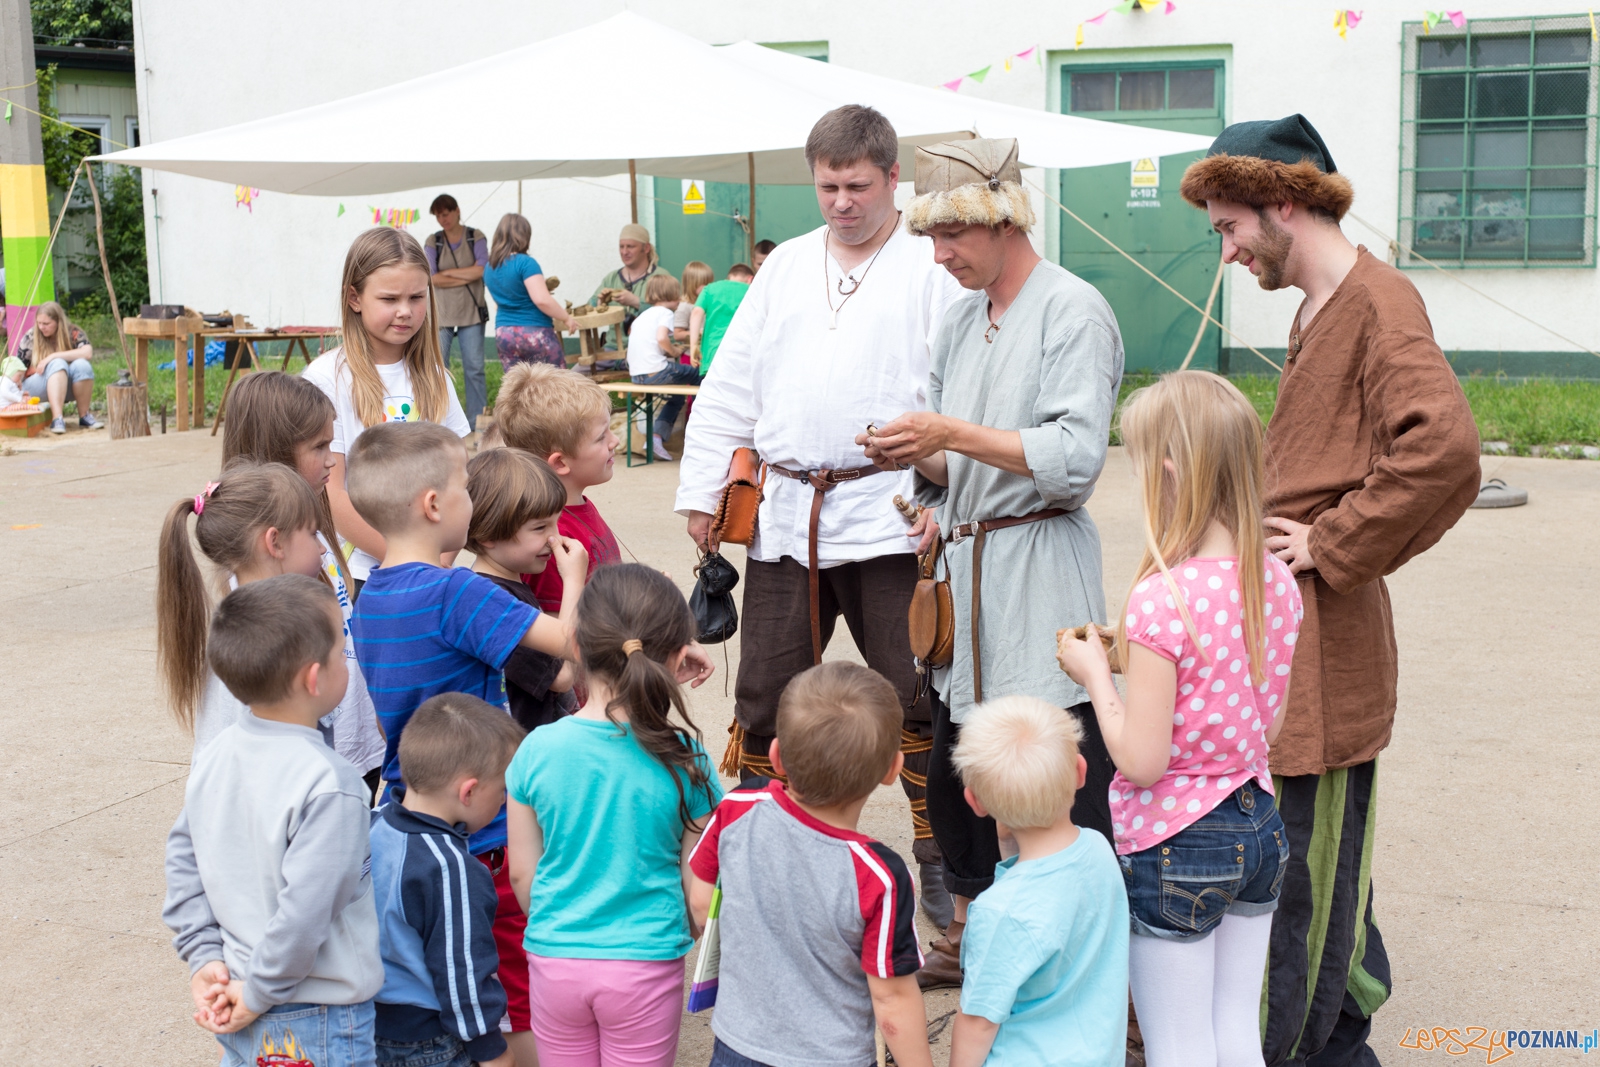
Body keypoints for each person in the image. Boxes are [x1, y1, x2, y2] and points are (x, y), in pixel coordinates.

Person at [1178, 114, 1481, 1066]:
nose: (1226, 252)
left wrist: (1333, 540)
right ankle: (1342, 1034)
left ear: (1282, 204)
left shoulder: (1380, 303)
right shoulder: (1322, 307)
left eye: (1230, 228)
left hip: (1327, 650)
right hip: (1286, 647)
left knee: (1305, 889)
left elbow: (1443, 448)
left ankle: (1303, 1052)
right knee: (1317, 874)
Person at [676, 106, 965, 922]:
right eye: (828, 186)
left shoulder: (929, 265)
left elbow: (956, 399)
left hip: (891, 513)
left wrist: (944, 498)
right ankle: (757, 861)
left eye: (857, 186)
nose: (841, 202)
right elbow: (733, 382)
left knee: (914, 693)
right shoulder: (788, 266)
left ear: (892, 179)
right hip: (787, 514)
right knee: (765, 694)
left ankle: (935, 861)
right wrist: (704, 492)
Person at [861, 137, 1124, 988]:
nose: (939, 259)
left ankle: (1100, 975)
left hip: (1042, 566)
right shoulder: (957, 319)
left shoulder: (1073, 310)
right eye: (931, 241)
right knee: (960, 764)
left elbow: (1074, 457)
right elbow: (955, 466)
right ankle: (977, 935)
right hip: (966, 577)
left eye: (954, 239)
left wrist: (949, 435)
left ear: (1004, 219)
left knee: (1059, 768)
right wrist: (917, 456)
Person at [344, 420, 608, 1067]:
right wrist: (574, 581)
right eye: (464, 484)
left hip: (410, 818)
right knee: (509, 983)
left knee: (448, 968)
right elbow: (570, 648)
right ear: (435, 505)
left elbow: (383, 728)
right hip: (488, 828)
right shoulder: (454, 590)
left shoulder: (370, 596)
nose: (469, 496)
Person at [1057, 372, 1302, 1067]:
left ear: (1169, 468)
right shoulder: (1274, 581)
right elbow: (1268, 726)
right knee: (1234, 1031)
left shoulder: (1161, 599)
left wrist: (1098, 674)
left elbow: (1141, 760)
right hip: (1258, 825)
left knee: (1179, 1044)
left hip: (1174, 840)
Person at [505, 564, 723, 1067]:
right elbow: (698, 891)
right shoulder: (686, 757)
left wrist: (557, 925)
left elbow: (523, 873)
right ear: (675, 655)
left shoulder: (536, 749)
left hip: (555, 955)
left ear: (575, 645)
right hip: (645, 960)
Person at [163, 574, 383, 1066]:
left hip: (236, 991)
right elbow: (304, 914)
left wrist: (205, 957)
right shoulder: (332, 784)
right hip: (315, 1014)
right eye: (343, 649)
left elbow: (183, 860)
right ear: (314, 677)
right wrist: (260, 991)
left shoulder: (217, 754)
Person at [687, 662, 932, 1067]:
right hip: (832, 1057)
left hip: (738, 1043)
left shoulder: (737, 808)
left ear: (776, 755)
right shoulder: (880, 875)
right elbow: (892, 999)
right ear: (893, 769)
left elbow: (700, 904)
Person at [221, 370, 386, 795]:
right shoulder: (269, 563)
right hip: (308, 767)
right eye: (319, 446)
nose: (333, 459)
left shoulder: (310, 521)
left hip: (350, 743)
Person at [945, 695, 1128, 1067]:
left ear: (975, 802)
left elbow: (978, 1023)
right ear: (1080, 771)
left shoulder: (999, 912)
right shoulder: (1098, 850)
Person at [303, 228, 472, 594]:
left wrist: (439, 561)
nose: (405, 311)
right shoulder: (326, 379)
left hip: (430, 573)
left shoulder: (438, 379)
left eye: (416, 297)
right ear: (354, 297)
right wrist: (410, 561)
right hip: (358, 575)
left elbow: (461, 478)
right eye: (390, 298)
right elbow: (331, 494)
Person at [370, 694, 523, 1067]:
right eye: (501, 790)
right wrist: (491, 1049)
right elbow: (462, 971)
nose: (504, 800)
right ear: (469, 792)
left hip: (369, 1022)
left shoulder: (374, 824)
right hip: (430, 1039)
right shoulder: (451, 868)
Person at [156, 462, 329, 757]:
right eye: (313, 534)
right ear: (274, 542)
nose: (323, 548)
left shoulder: (236, 619)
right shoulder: (271, 638)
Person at [492, 364, 623, 614]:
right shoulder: (552, 539)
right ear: (560, 462)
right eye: (600, 437)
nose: (614, 440)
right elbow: (557, 627)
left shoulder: (577, 504)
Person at [466, 448, 577, 731]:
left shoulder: (509, 582)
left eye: (556, 522)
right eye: (540, 527)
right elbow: (561, 676)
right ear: (490, 533)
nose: (555, 538)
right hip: (520, 751)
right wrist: (574, 581)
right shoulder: (490, 601)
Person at [425, 194, 492, 429]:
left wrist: (448, 274)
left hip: (471, 311)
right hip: (441, 313)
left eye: (445, 213)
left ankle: (477, 421)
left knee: (474, 367)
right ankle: (440, 420)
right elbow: (430, 277)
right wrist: (465, 273)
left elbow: (481, 271)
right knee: (437, 368)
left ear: (456, 211)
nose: (442, 219)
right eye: (438, 215)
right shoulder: (434, 241)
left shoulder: (476, 236)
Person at [483, 213, 578, 373]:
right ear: (524, 236)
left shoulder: (489, 267)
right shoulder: (527, 263)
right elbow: (542, 300)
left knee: (517, 387)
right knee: (556, 383)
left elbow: (503, 299)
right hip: (533, 331)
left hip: (504, 333)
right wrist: (566, 318)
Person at [627, 274, 697, 461]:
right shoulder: (666, 313)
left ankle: (655, 439)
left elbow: (648, 345)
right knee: (699, 375)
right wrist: (674, 352)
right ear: (673, 295)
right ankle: (701, 433)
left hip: (637, 375)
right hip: (656, 372)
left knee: (676, 396)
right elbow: (661, 338)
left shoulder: (642, 316)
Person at [16, 300, 101, 433]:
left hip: (65, 385)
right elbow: (18, 367)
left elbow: (87, 352)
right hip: (36, 387)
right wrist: (14, 392)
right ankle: (57, 419)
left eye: (46, 324)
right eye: (39, 323)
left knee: (82, 364)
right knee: (58, 364)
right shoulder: (31, 336)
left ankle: (84, 416)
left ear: (58, 322)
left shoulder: (72, 332)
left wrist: (53, 356)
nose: (41, 327)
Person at [589, 223, 672, 334]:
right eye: (621, 246)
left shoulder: (661, 277)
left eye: (630, 246)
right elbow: (588, 310)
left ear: (646, 248)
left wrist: (636, 302)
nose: (624, 252)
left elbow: (671, 312)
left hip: (650, 346)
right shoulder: (611, 279)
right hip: (614, 346)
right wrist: (600, 304)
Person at [688, 263, 753, 379]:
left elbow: (696, 312)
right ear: (750, 279)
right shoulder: (752, 290)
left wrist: (693, 345)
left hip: (713, 355)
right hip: (743, 356)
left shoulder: (710, 289)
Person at [673, 260, 714, 348]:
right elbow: (677, 334)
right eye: (705, 284)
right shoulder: (684, 307)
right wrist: (700, 333)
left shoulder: (709, 303)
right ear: (693, 284)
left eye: (711, 283)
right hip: (690, 355)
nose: (709, 287)